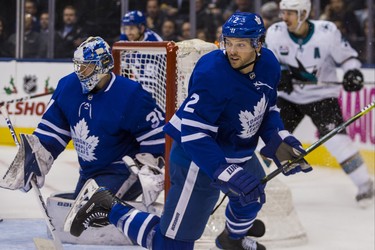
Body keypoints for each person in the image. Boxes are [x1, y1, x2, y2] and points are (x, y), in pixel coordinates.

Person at [67, 13, 313, 250]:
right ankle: (106, 205)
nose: (233, 51)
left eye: (241, 44)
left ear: (258, 45)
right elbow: (194, 134)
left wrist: (279, 138)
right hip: (196, 159)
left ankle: (232, 239)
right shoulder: (212, 73)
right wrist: (226, 172)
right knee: (173, 246)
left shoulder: (269, 64)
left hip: (235, 151)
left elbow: (266, 110)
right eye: (228, 42)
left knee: (252, 196)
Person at [1, 36, 165, 203]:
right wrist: (35, 160)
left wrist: (150, 168)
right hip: (88, 171)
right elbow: (52, 133)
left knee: (91, 217)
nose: (80, 71)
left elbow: (157, 134)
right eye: (78, 65)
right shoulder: (68, 86)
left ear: (103, 65)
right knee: (73, 217)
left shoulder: (130, 94)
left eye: (87, 66)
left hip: (121, 171)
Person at [265, 0, 374, 206]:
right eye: (283, 12)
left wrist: (353, 72)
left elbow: (349, 58)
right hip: (289, 98)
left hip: (323, 97)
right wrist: (280, 74)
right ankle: (251, 184)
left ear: (304, 13)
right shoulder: (275, 32)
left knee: (337, 141)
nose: (284, 18)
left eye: (290, 13)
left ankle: (364, 185)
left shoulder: (326, 32)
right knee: (271, 140)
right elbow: (269, 62)